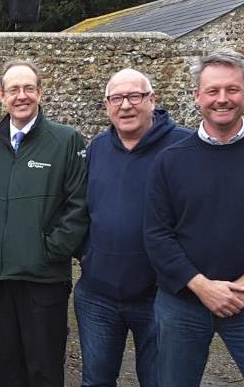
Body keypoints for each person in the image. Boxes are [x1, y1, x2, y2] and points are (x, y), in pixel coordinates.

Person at [144, 49, 244, 387]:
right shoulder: (170, 159)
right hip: (182, 304)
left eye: (232, 89)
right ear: (197, 96)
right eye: (213, 91)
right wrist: (202, 287)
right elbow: (157, 234)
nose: (222, 99)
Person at [0, 59, 89, 386]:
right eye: (13, 89)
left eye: (28, 88)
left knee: (43, 369)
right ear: (1, 94)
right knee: (7, 369)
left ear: (40, 92)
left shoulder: (65, 140)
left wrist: (50, 249)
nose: (21, 96)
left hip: (44, 279)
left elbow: (79, 205)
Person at [75, 69, 191, 387]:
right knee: (96, 380)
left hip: (160, 295)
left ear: (152, 99)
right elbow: (79, 205)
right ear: (107, 105)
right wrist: (84, 251)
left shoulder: (184, 147)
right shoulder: (97, 148)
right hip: (98, 295)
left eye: (134, 96)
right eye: (117, 98)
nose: (125, 106)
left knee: (160, 380)